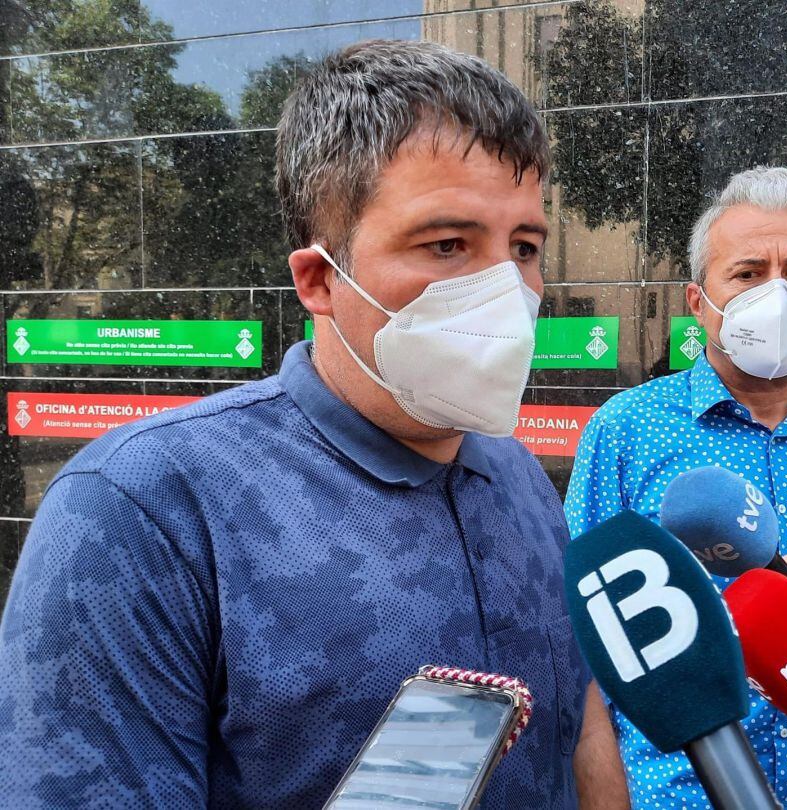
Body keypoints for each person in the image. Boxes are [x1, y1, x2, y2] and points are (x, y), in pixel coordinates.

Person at [0, 40, 628, 809]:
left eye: (524, 248)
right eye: (447, 244)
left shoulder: (522, 477)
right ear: (320, 279)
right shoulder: (143, 510)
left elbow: (580, 726)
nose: (507, 290)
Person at [565, 165, 787, 809]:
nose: (777, 294)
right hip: (678, 790)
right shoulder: (628, 430)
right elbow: (581, 632)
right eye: (748, 274)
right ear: (699, 301)